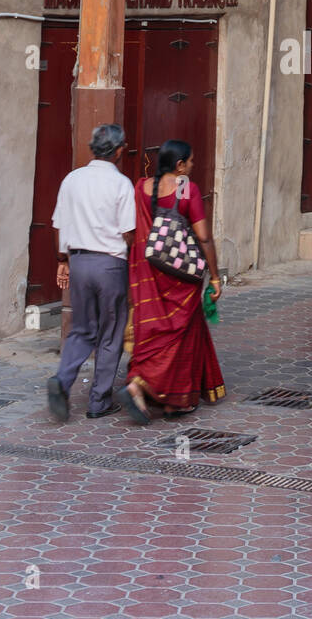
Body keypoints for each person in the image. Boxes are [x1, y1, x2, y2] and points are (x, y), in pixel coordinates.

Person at [121, 140, 225, 424]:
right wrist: (215, 276)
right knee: (177, 337)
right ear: (179, 165)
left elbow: (132, 230)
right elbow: (203, 237)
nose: (192, 166)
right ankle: (166, 398)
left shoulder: (142, 187)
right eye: (190, 162)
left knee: (153, 331)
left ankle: (142, 385)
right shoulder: (184, 187)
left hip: (148, 274)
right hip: (179, 276)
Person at [47, 123, 136, 422]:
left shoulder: (72, 179)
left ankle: (62, 379)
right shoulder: (121, 184)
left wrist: (62, 259)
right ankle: (98, 401)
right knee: (110, 334)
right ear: (120, 150)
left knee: (82, 329)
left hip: (80, 262)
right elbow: (128, 232)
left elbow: (58, 224)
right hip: (110, 264)